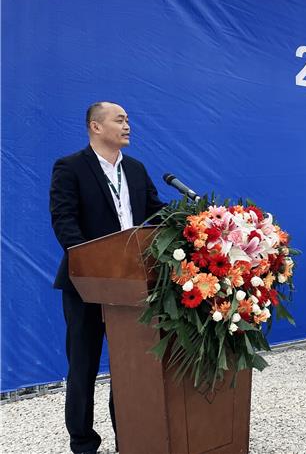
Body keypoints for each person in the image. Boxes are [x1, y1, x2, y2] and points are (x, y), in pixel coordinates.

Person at [50, 102, 164, 454]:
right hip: (86, 283)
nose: (127, 125)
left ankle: (126, 435)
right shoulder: (70, 167)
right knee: (83, 365)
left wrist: (192, 219)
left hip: (131, 284)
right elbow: (64, 221)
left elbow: (154, 211)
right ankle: (83, 442)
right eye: (120, 120)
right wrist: (93, 261)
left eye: (128, 119)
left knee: (129, 365)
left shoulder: (135, 168)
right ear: (95, 126)